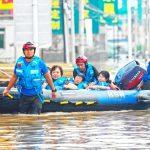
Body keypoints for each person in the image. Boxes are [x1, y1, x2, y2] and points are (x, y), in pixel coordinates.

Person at [3, 42, 56, 114]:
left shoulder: (39, 62)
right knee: (23, 117)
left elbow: (48, 77)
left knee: (35, 119)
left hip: (36, 96)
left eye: (31, 49)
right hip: (23, 95)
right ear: (23, 51)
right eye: (27, 50)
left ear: (34, 51)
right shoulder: (19, 62)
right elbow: (14, 76)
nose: (29, 51)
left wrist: (53, 90)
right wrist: (7, 89)